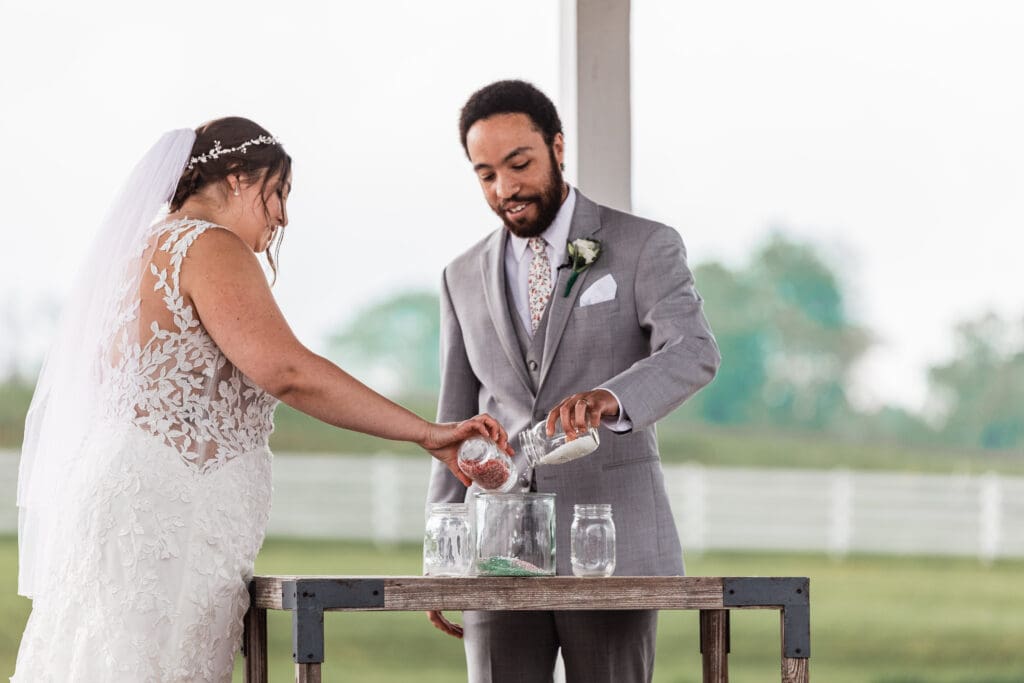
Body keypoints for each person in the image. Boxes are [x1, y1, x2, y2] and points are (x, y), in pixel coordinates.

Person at [13, 117, 511, 682]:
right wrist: (426, 432)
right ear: (236, 179)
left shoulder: (138, 255)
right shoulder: (209, 245)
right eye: (277, 193)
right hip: (167, 518)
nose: (283, 216)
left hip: (132, 502)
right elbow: (289, 372)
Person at [425, 81, 721, 682]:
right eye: (485, 175)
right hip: (496, 551)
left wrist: (613, 396)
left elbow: (694, 351)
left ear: (558, 148)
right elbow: (453, 420)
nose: (505, 189)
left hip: (612, 542)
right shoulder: (459, 276)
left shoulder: (643, 246)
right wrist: (442, 552)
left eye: (519, 164)